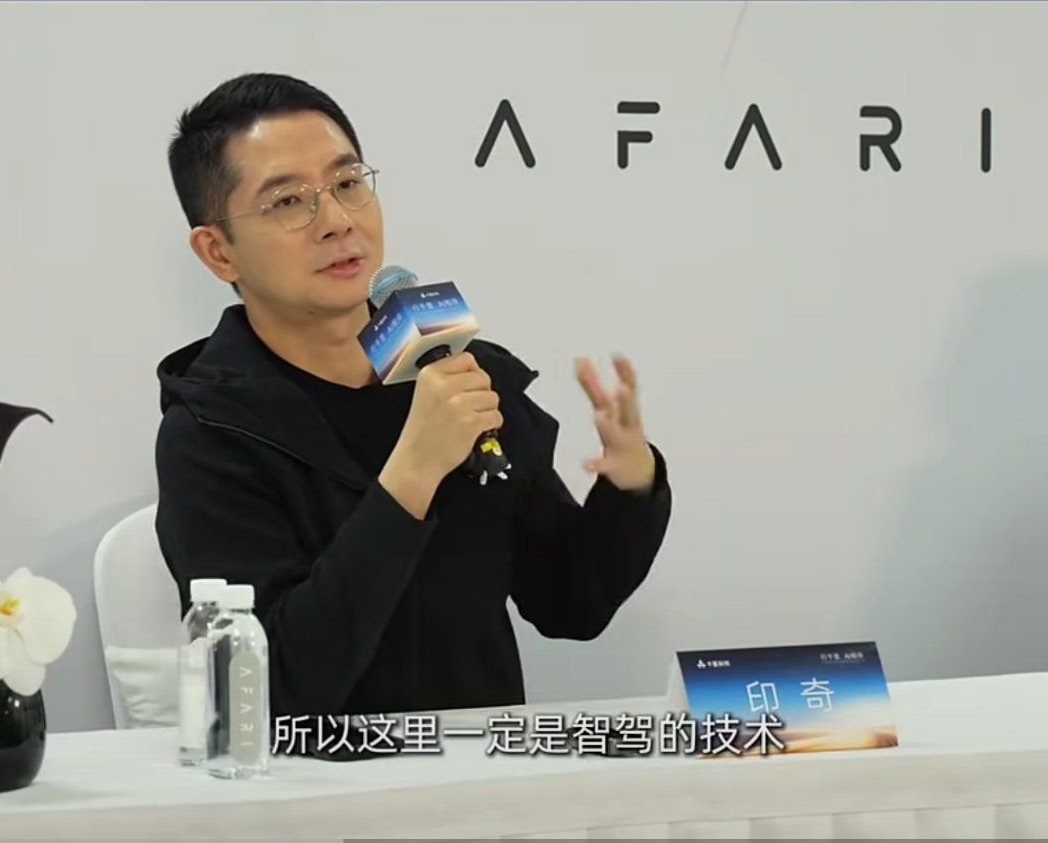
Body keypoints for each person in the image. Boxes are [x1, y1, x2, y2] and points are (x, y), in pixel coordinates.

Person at [154, 72, 672, 721]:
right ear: (218, 252)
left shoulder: (455, 368)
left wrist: (631, 483)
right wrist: (414, 471)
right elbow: (267, 692)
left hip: (478, 770)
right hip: (318, 779)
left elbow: (570, 603)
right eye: (287, 201)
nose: (337, 221)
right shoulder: (211, 428)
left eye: (348, 183)